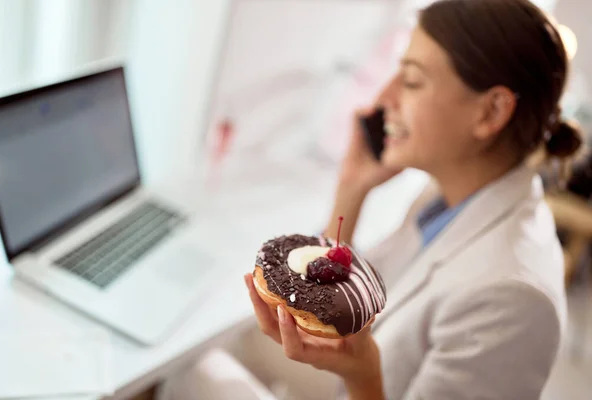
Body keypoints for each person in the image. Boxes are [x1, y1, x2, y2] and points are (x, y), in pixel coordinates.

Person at [243, 0, 584, 399]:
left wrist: (362, 378)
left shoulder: (516, 302)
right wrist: (352, 187)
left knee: (198, 371)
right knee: (227, 346)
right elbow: (351, 293)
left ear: (490, 112)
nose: (382, 98)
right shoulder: (452, 192)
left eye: (411, 80)